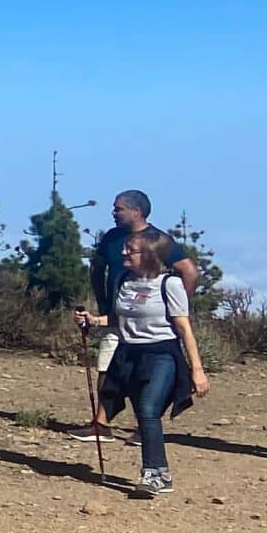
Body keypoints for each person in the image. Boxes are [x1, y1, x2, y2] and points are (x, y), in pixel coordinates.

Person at [75, 228, 210, 497]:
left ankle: (155, 473)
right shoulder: (125, 280)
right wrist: (92, 320)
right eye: (125, 248)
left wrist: (197, 370)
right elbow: (118, 318)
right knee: (140, 409)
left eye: (131, 250)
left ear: (149, 255)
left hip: (162, 354)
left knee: (148, 409)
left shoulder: (168, 284)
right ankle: (158, 472)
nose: (124, 252)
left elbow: (184, 328)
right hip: (128, 354)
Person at [75, 190, 203, 443]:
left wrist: (173, 306)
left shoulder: (157, 240)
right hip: (118, 314)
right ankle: (101, 424)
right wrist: (103, 304)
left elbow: (189, 272)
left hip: (151, 324)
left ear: (136, 211)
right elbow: (97, 268)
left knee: (146, 374)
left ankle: (144, 426)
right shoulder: (112, 238)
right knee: (107, 366)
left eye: (119, 208)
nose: (114, 212)